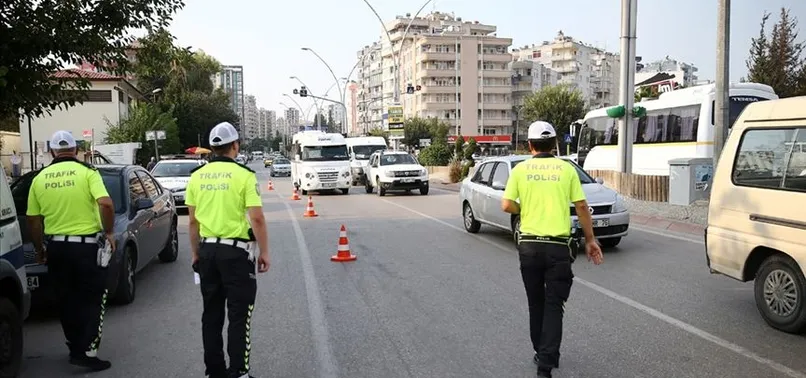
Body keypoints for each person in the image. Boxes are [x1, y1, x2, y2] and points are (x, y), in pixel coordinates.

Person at [500, 121, 603, 378]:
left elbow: (506, 205)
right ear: (556, 144)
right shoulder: (566, 169)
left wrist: (525, 209)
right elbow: (581, 207)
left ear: (530, 145)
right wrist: (590, 240)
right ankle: (545, 364)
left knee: (535, 303)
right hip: (558, 249)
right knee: (554, 305)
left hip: (530, 247)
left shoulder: (521, 170)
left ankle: (540, 351)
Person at [26, 130, 116, 372]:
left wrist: (39, 248)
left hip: (56, 247)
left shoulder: (39, 178)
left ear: (53, 151)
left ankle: (75, 347)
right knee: (93, 297)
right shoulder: (88, 173)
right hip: (86, 248)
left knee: (66, 299)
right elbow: (105, 203)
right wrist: (109, 232)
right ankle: (88, 351)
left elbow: (33, 219)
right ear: (76, 150)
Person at [186, 122, 270, 378]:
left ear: (212, 148)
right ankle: (239, 372)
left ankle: (215, 371)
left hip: (207, 251)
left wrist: (195, 253)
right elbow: (256, 218)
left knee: (211, 315)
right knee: (238, 315)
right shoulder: (244, 175)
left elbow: (192, 221)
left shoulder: (197, 176)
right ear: (235, 145)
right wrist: (264, 251)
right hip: (235, 254)